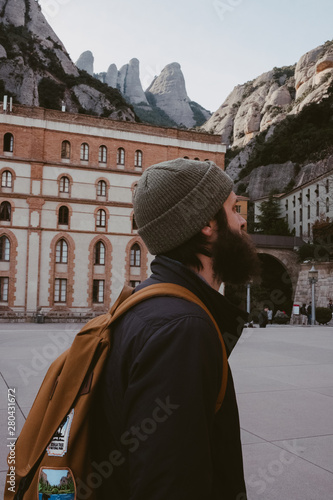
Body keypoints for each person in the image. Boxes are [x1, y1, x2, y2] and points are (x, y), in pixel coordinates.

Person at [97, 158, 260, 500]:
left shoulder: (144, 304)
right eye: (233, 209)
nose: (243, 220)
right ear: (206, 223)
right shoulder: (182, 328)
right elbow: (170, 485)